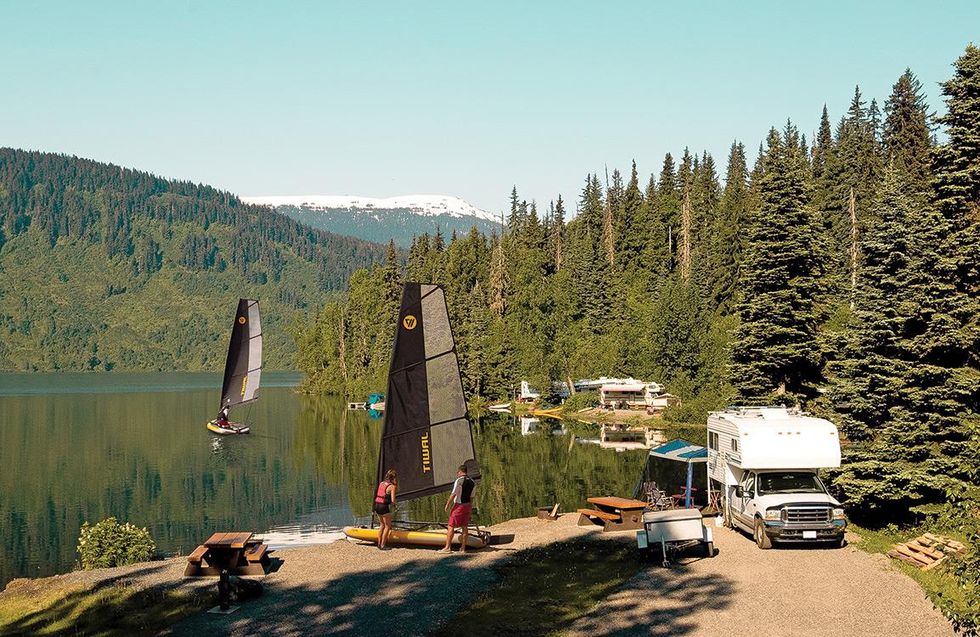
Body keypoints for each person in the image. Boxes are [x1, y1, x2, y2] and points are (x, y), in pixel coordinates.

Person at [440, 465, 476, 554]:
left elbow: (453, 494)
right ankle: (463, 549)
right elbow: (472, 497)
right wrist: (470, 508)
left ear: (459, 472)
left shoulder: (459, 480)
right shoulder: (473, 482)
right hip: (467, 506)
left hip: (459, 505)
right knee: (464, 526)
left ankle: (447, 547)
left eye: (457, 472)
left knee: (451, 525)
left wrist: (447, 504)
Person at [374, 469, 397, 550]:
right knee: (387, 526)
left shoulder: (381, 483)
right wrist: (394, 505)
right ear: (394, 478)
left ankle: (379, 544)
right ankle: (383, 545)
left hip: (377, 506)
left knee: (382, 525)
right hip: (384, 507)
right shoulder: (392, 487)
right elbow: (393, 501)